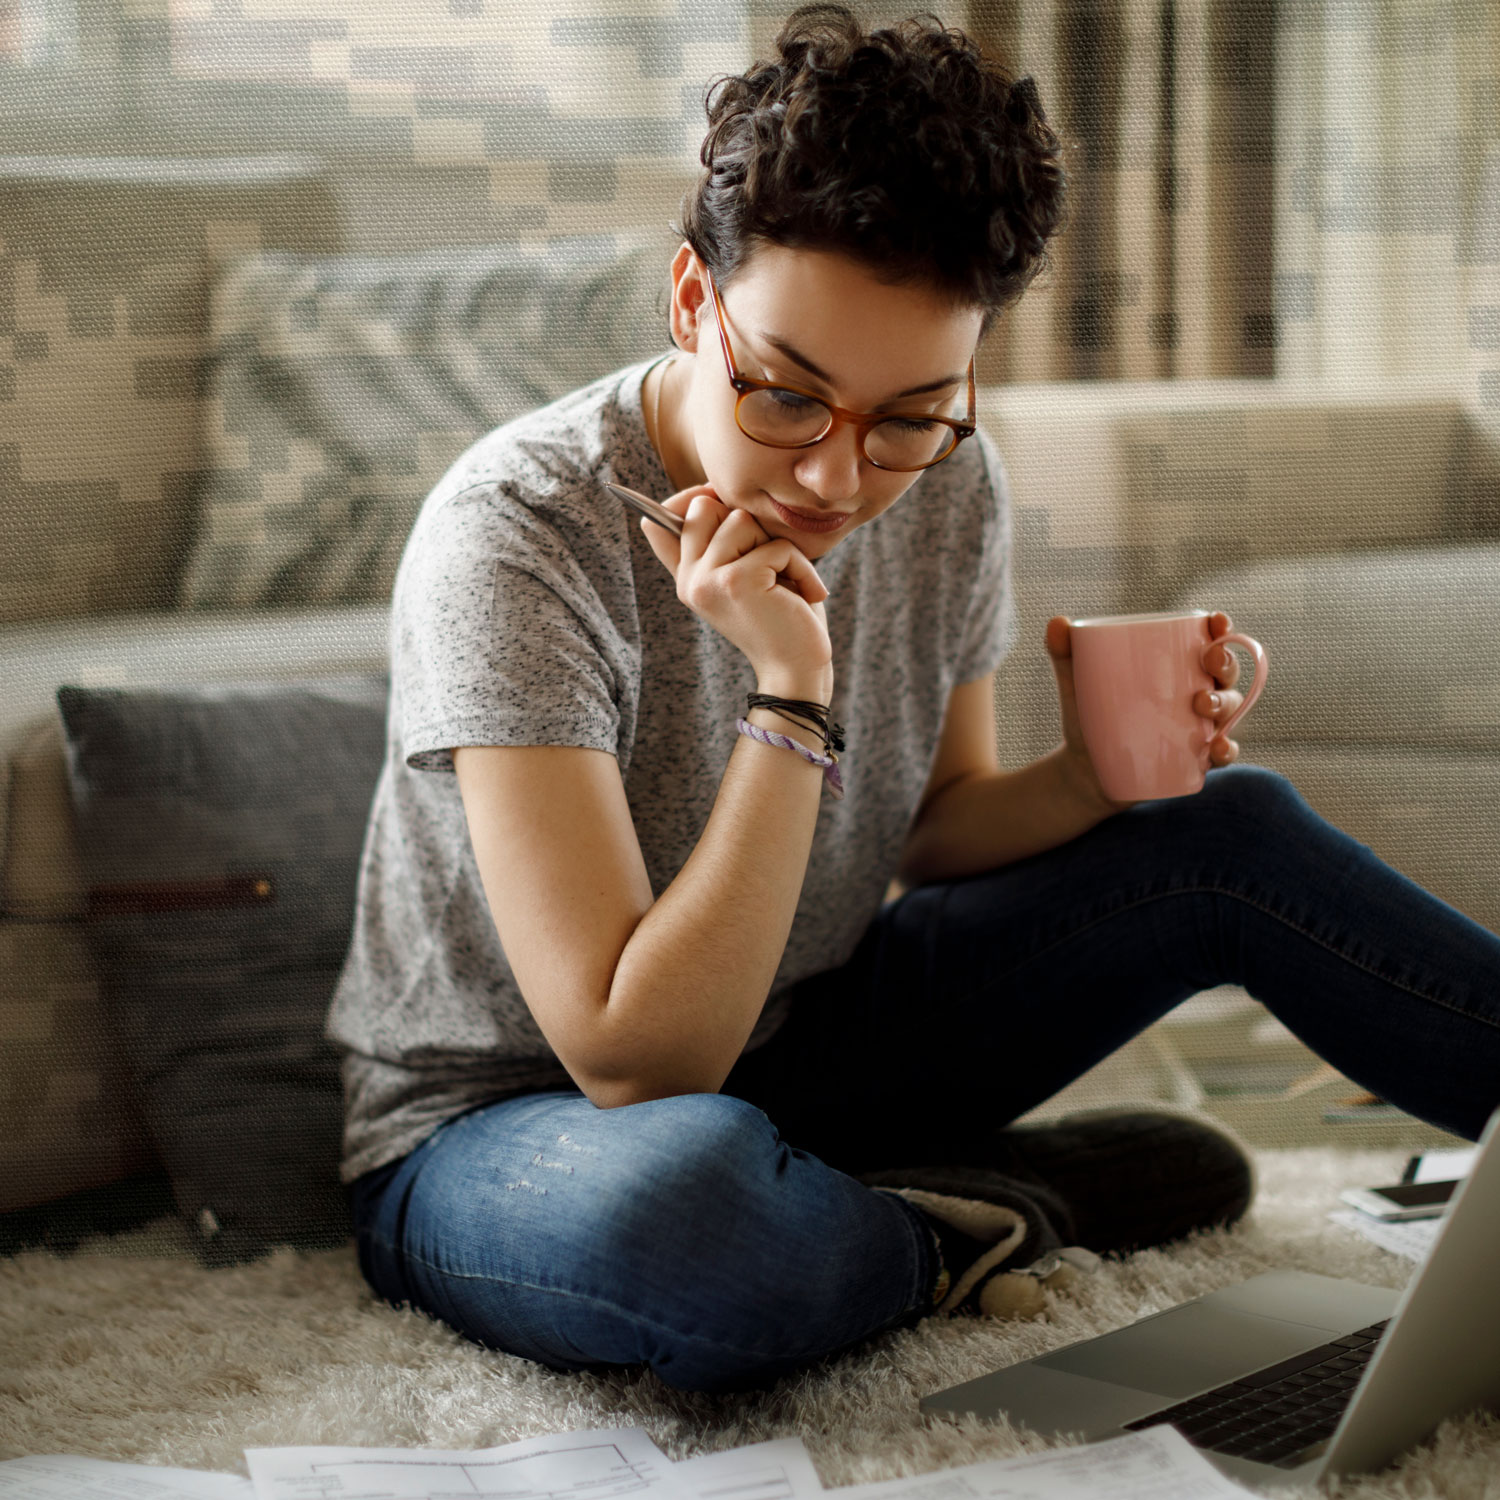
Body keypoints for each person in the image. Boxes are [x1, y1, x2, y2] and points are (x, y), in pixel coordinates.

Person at [328, 5, 1500, 1393]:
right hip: (511, 1123)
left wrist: (1088, 783)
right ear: (695, 301)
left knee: (1229, 832)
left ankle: (883, 1188)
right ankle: (987, 1211)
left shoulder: (952, 482)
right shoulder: (519, 532)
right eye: (787, 398)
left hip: (811, 1038)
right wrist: (792, 695)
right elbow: (637, 1058)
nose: (837, 478)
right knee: (692, 1220)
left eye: (909, 415)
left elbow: (930, 827)